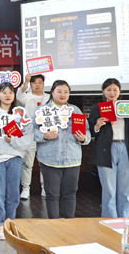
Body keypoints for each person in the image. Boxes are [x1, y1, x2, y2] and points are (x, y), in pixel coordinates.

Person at [0, 82, 33, 240]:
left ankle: (10, 222)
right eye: (4, 92)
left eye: (11, 92)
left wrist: (14, 141)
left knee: (13, 194)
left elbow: (28, 136)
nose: (8, 95)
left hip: (15, 157)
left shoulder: (20, 113)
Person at [33, 80, 90, 219]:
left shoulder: (75, 110)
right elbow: (31, 131)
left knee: (70, 194)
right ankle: (54, 226)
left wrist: (84, 138)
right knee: (52, 195)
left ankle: (69, 225)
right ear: (52, 93)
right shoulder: (42, 111)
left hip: (72, 159)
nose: (62, 94)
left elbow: (86, 131)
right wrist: (44, 135)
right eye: (59, 91)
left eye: (66, 92)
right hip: (50, 159)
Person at [89, 78, 129, 218]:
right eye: (108, 90)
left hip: (126, 148)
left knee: (125, 190)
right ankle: (110, 220)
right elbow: (90, 131)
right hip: (106, 150)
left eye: (115, 90)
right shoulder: (97, 108)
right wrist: (97, 126)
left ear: (119, 91)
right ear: (103, 91)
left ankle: (124, 220)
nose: (112, 93)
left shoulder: (126, 107)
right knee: (109, 190)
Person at [17, 74, 47, 200]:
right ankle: (26, 188)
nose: (37, 85)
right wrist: (25, 82)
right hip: (30, 133)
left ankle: (45, 187)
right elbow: (19, 96)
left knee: (45, 163)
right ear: (31, 84)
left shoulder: (49, 98)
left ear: (43, 84)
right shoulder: (27, 97)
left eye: (40, 82)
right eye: (34, 83)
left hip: (46, 133)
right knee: (27, 163)